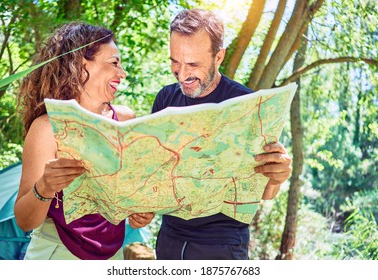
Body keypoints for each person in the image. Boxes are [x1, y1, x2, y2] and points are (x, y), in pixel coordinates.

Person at [152, 9, 292, 260]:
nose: (182, 74)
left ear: (218, 57)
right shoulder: (165, 98)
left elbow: (266, 192)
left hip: (221, 246)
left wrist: (277, 177)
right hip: (169, 239)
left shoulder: (248, 105)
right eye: (175, 61)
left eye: (193, 64)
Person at [15, 22, 154, 260]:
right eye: (114, 63)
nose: (122, 73)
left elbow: (135, 194)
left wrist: (142, 211)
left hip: (114, 255)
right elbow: (25, 221)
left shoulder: (127, 120)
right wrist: (45, 187)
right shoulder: (47, 128)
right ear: (80, 65)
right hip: (56, 254)